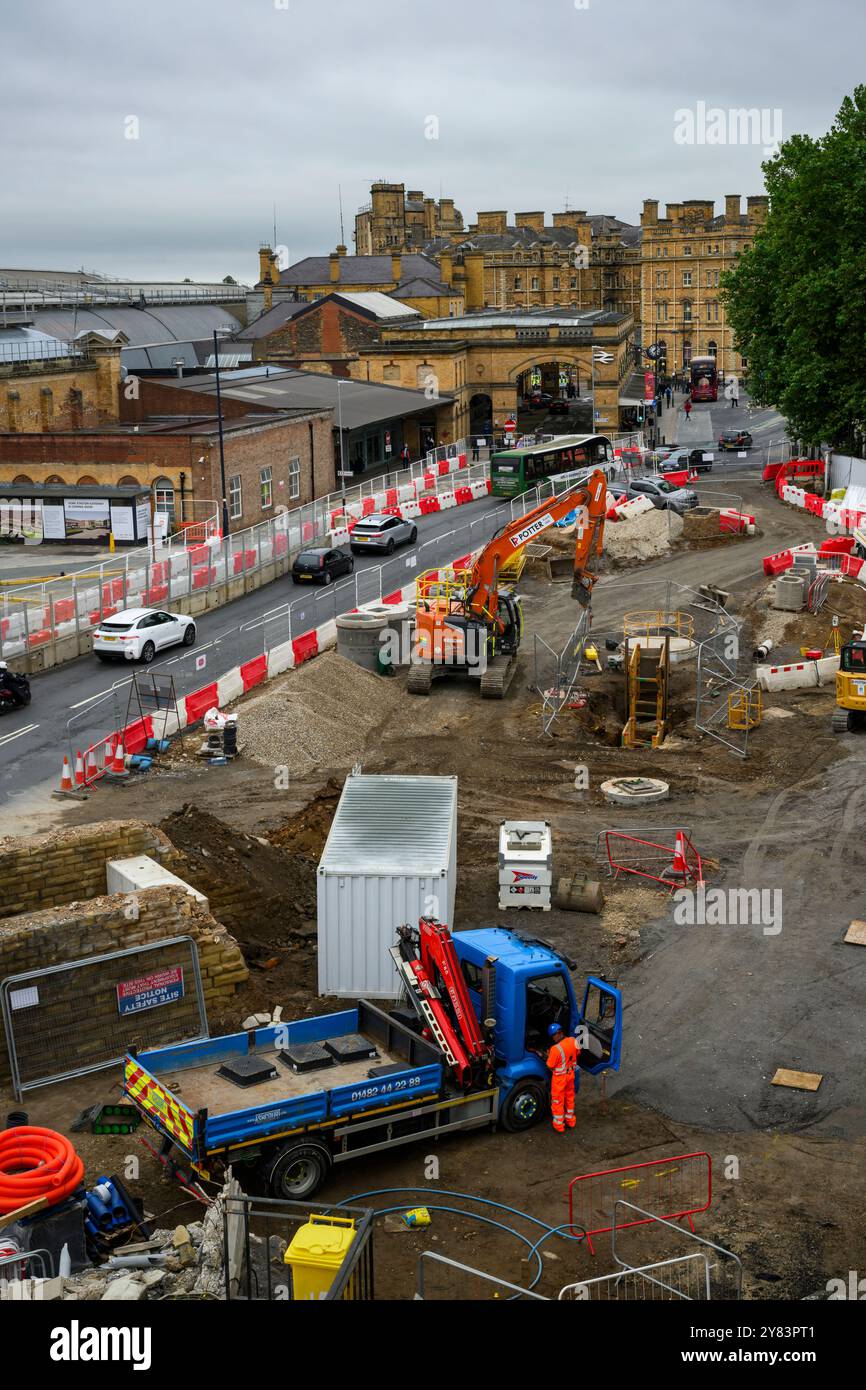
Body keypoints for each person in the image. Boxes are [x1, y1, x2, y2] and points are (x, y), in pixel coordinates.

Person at [546, 1022, 581, 1132]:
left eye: (553, 1036)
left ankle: (559, 1125)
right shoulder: (573, 1040)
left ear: (556, 1035)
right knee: (569, 1098)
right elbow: (578, 1052)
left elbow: (549, 1065)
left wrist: (549, 1055)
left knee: (557, 1101)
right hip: (570, 1076)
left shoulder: (555, 1049)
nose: (553, 1039)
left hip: (559, 1079)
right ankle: (570, 1120)